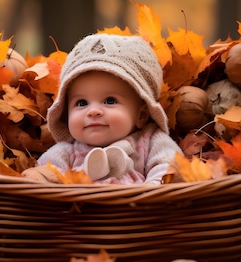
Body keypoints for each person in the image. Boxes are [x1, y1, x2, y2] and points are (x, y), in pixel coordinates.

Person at [22, 33, 182, 185]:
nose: (93, 111)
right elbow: (45, 175)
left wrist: (151, 191)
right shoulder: (67, 152)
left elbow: (168, 166)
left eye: (110, 100)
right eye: (82, 103)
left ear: (141, 116)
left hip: (138, 210)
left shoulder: (149, 141)